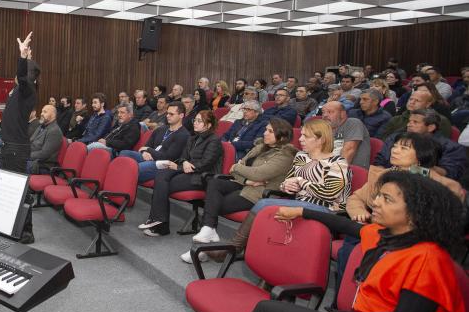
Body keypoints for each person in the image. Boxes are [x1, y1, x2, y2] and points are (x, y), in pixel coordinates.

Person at [182, 171, 465, 312]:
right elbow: (341, 223)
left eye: (387, 199)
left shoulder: (428, 258)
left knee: (269, 310)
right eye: (378, 195)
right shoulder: (384, 236)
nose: (376, 202)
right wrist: (300, 211)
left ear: (415, 213)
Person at [212, 118, 351, 260]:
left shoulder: (337, 163)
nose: (300, 139)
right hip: (301, 204)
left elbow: (330, 193)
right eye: (301, 135)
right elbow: (285, 183)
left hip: (326, 209)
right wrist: (287, 186)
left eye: (306, 136)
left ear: (321, 139)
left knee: (264, 204)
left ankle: (234, 248)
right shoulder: (302, 157)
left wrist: (301, 182)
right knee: (267, 208)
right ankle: (252, 254)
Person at [178, 118, 297, 263]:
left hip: (258, 193)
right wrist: (246, 179)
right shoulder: (260, 147)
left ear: (282, 137)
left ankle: (205, 242)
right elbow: (234, 171)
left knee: (213, 205)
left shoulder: (285, 156)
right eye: (266, 129)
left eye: (270, 131)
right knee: (214, 182)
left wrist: (238, 167)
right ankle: (208, 232)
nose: (265, 133)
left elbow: (257, 174)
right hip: (245, 184)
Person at [139, 110, 222, 237]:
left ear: (209, 125)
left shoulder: (214, 140)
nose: (195, 123)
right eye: (195, 120)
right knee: (161, 174)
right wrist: (183, 163)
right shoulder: (193, 138)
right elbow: (183, 157)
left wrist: (182, 166)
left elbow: (205, 163)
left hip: (202, 177)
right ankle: (158, 220)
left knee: (163, 184)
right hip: (187, 172)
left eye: (199, 121)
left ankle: (160, 224)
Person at [0, 33, 39, 242]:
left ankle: (26, 232)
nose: (18, 76)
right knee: (9, 188)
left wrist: (23, 57)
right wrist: (28, 58)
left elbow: (23, 78)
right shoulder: (18, 91)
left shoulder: (27, 91)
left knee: (20, 191)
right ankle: (12, 226)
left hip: (16, 149)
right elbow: (21, 77)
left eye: (24, 73)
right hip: (9, 147)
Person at [373, 110, 466, 181]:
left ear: (431, 127)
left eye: (415, 122)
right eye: (409, 121)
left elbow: (449, 174)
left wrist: (412, 168)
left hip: (425, 185)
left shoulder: (451, 148)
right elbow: (380, 160)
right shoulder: (396, 137)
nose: (409, 124)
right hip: (386, 178)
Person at [120, 102, 190, 182]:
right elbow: (145, 146)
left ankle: (121, 182)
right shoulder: (160, 129)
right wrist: (144, 152)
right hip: (149, 157)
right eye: (167, 113)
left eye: (171, 114)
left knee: (135, 167)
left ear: (181, 115)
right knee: (124, 153)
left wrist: (148, 150)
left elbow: (167, 157)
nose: (167, 116)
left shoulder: (183, 135)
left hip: (162, 164)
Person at [381, 88, 452, 140]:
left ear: (428, 104)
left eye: (417, 100)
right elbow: (383, 139)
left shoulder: (440, 121)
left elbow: (440, 144)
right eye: (411, 99)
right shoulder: (396, 119)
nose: (412, 102)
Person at [322, 100, 371, 170]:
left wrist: (335, 172)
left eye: (330, 112)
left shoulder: (353, 123)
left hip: (350, 171)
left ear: (342, 114)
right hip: (325, 167)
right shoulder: (325, 129)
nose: (325, 115)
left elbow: (348, 151)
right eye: (323, 112)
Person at [28, 104, 63, 174]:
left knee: (14, 164)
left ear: (53, 115)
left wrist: (26, 155)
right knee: (10, 159)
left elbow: (44, 154)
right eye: (42, 111)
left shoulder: (54, 131)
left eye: (45, 112)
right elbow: (30, 141)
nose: (41, 114)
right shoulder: (41, 126)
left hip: (42, 165)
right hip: (32, 159)